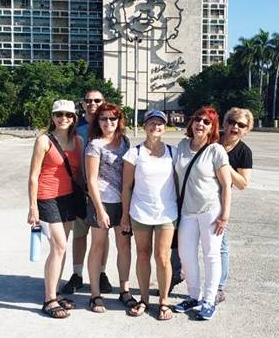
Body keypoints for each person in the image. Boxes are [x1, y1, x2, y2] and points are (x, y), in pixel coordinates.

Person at [172, 106, 232, 320]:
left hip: (210, 210)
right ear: (191, 122)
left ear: (212, 127)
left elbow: (226, 185)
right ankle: (194, 295)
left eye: (207, 122)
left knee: (211, 255)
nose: (201, 124)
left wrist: (225, 215)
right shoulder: (181, 146)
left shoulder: (215, 150)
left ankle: (208, 300)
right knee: (186, 255)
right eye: (198, 119)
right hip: (187, 211)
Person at [27, 100, 82, 319]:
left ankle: (56, 292)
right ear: (52, 117)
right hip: (46, 198)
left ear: (74, 118)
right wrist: (32, 207)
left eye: (68, 115)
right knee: (58, 246)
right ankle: (49, 300)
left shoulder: (77, 141)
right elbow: (33, 176)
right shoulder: (44, 140)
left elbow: (78, 173)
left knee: (62, 247)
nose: (63, 119)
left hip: (68, 198)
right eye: (59, 115)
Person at [121, 110, 178, 320]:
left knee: (163, 257)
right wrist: (125, 216)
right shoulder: (133, 153)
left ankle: (164, 301)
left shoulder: (173, 152)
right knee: (143, 255)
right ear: (144, 126)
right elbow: (126, 187)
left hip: (166, 213)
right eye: (152, 123)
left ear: (165, 127)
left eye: (160, 124)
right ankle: (143, 299)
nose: (156, 127)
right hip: (140, 212)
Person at [85, 102, 136, 313]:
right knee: (98, 245)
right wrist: (100, 209)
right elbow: (91, 180)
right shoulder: (94, 145)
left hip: (123, 202)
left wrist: (127, 208)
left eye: (112, 119)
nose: (108, 122)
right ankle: (95, 294)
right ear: (98, 121)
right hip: (101, 202)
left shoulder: (124, 141)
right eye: (104, 118)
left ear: (119, 120)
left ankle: (124, 290)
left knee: (124, 245)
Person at [61, 89, 112, 295]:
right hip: (81, 189)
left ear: (104, 102)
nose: (92, 104)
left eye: (97, 100)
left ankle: (100, 272)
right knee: (80, 234)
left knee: (102, 235)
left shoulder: (110, 124)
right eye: (88, 101)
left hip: (105, 192)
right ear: (82, 104)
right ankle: (77, 273)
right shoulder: (75, 128)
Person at [217, 107, 254, 304]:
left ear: (247, 130)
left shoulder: (243, 152)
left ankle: (219, 287)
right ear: (224, 122)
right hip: (194, 196)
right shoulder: (212, 137)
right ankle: (176, 274)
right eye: (232, 122)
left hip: (219, 200)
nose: (235, 127)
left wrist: (224, 163)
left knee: (220, 245)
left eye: (241, 125)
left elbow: (243, 184)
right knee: (180, 241)